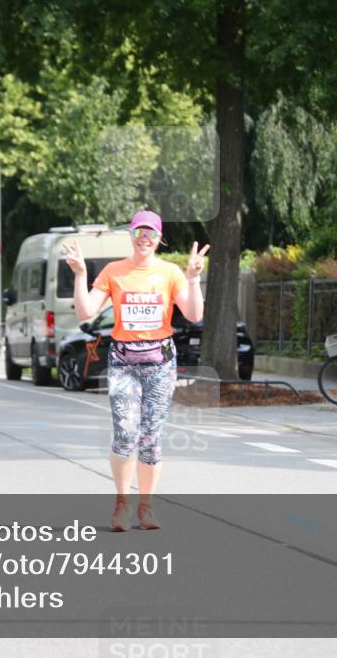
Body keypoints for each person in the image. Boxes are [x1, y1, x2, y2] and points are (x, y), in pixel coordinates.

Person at [63, 210, 208, 531]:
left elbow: (194, 314)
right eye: (140, 232)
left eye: (151, 234)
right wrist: (80, 273)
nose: (145, 238)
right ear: (131, 234)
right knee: (126, 432)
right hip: (124, 363)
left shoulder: (170, 273)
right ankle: (122, 504)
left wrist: (194, 277)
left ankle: (146, 507)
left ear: (159, 239)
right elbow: (86, 312)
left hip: (159, 363)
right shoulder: (115, 271)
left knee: (151, 437)